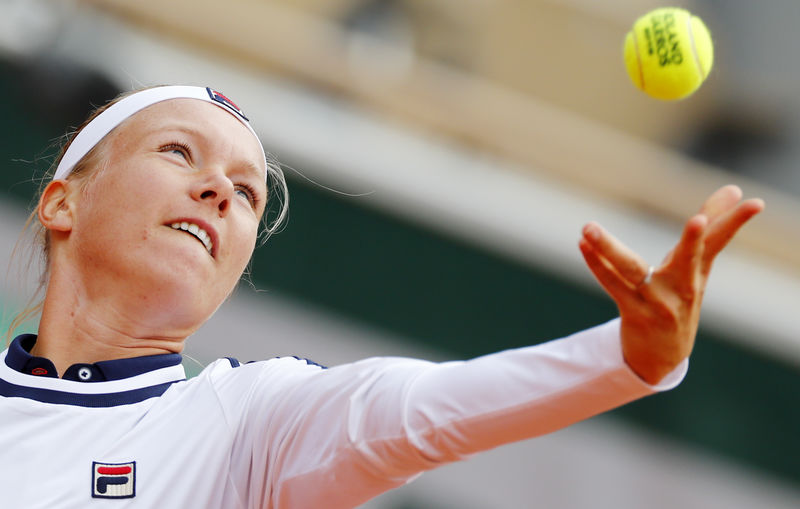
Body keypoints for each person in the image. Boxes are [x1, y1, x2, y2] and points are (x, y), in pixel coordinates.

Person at [0, 85, 764, 508]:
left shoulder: (248, 424)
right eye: (178, 151)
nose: (218, 193)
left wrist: (629, 358)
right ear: (62, 202)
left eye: (246, 192)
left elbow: (427, 410)